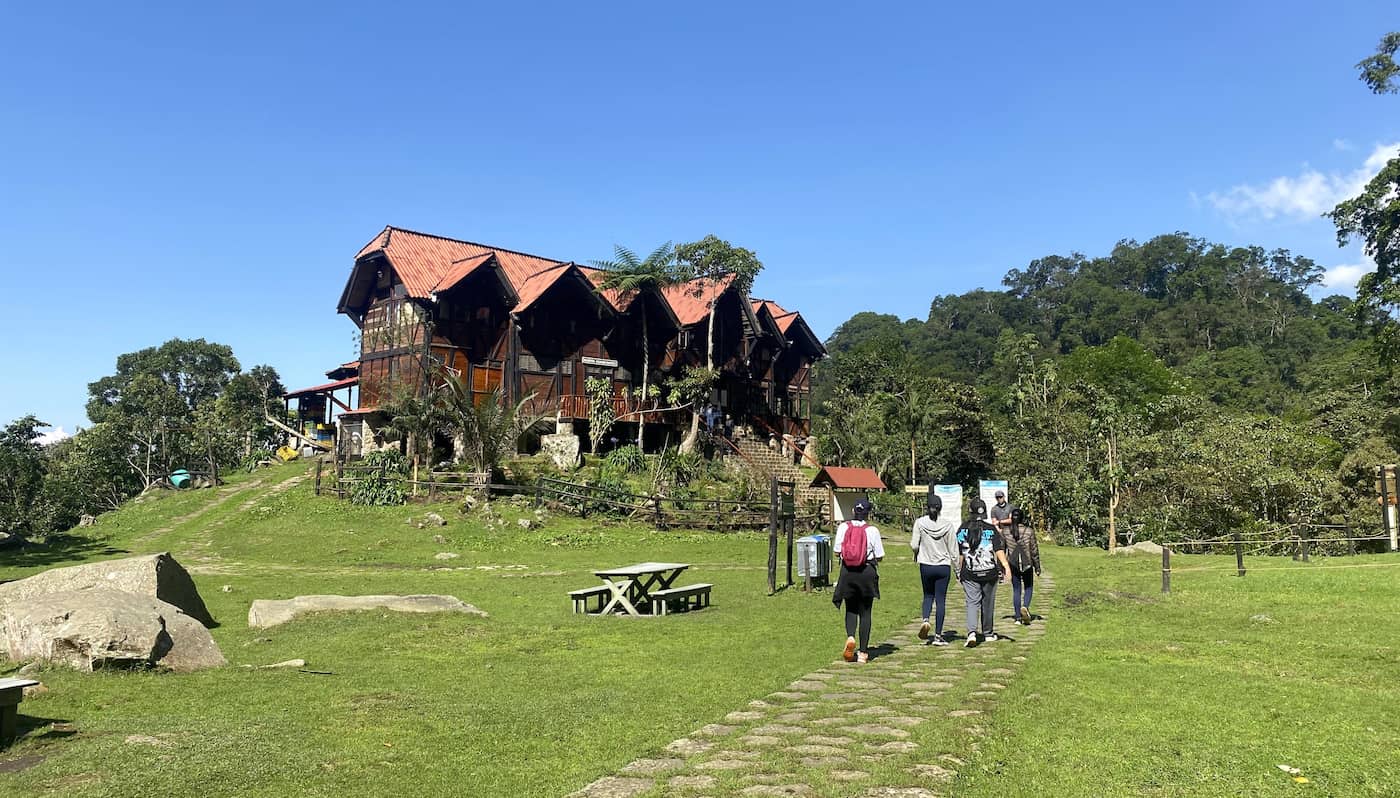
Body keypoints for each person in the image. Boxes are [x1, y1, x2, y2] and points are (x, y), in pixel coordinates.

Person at [832, 498, 884, 663]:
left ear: (854, 511)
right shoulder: (872, 530)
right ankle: (863, 652)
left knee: (851, 608)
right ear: (868, 513)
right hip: (866, 571)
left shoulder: (843, 527)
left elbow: (836, 551)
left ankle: (850, 637)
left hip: (848, 573)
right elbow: (880, 555)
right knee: (866, 612)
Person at [957, 497, 1011, 647]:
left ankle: (972, 633)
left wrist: (958, 570)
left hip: (970, 573)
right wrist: (1006, 567)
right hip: (989, 573)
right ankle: (988, 633)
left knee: (972, 603)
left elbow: (960, 552)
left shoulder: (962, 529)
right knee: (988, 603)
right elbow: (998, 549)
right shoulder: (990, 529)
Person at [910, 493, 959, 646]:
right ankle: (938, 635)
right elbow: (953, 550)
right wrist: (957, 570)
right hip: (943, 566)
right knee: (941, 600)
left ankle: (925, 620)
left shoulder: (920, 523)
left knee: (927, 595)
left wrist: (917, 554)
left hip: (926, 564)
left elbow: (914, 544)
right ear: (940, 508)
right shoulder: (947, 525)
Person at [999, 506, 1042, 625]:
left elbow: (1001, 549)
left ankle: (1018, 617)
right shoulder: (1029, 531)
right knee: (1029, 587)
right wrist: (1037, 566)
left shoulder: (1005, 531)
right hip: (1027, 563)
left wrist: (1001, 567)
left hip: (1013, 563)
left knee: (1016, 590)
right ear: (1023, 518)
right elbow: (1034, 550)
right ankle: (1026, 607)